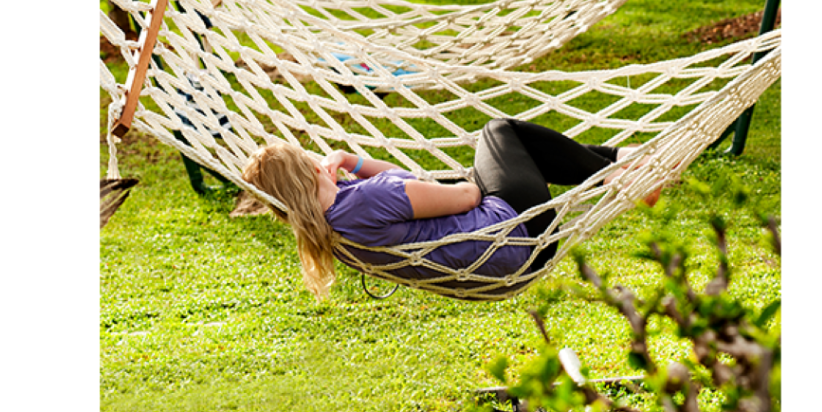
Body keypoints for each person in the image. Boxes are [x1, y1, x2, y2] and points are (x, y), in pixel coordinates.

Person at [242, 117, 662, 300]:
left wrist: (350, 161)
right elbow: (467, 196)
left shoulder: (335, 225)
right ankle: (620, 165)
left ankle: (622, 164)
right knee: (499, 133)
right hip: (516, 231)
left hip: (506, 264)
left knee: (513, 158)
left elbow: (400, 181)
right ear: (309, 168)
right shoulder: (365, 200)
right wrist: (469, 183)